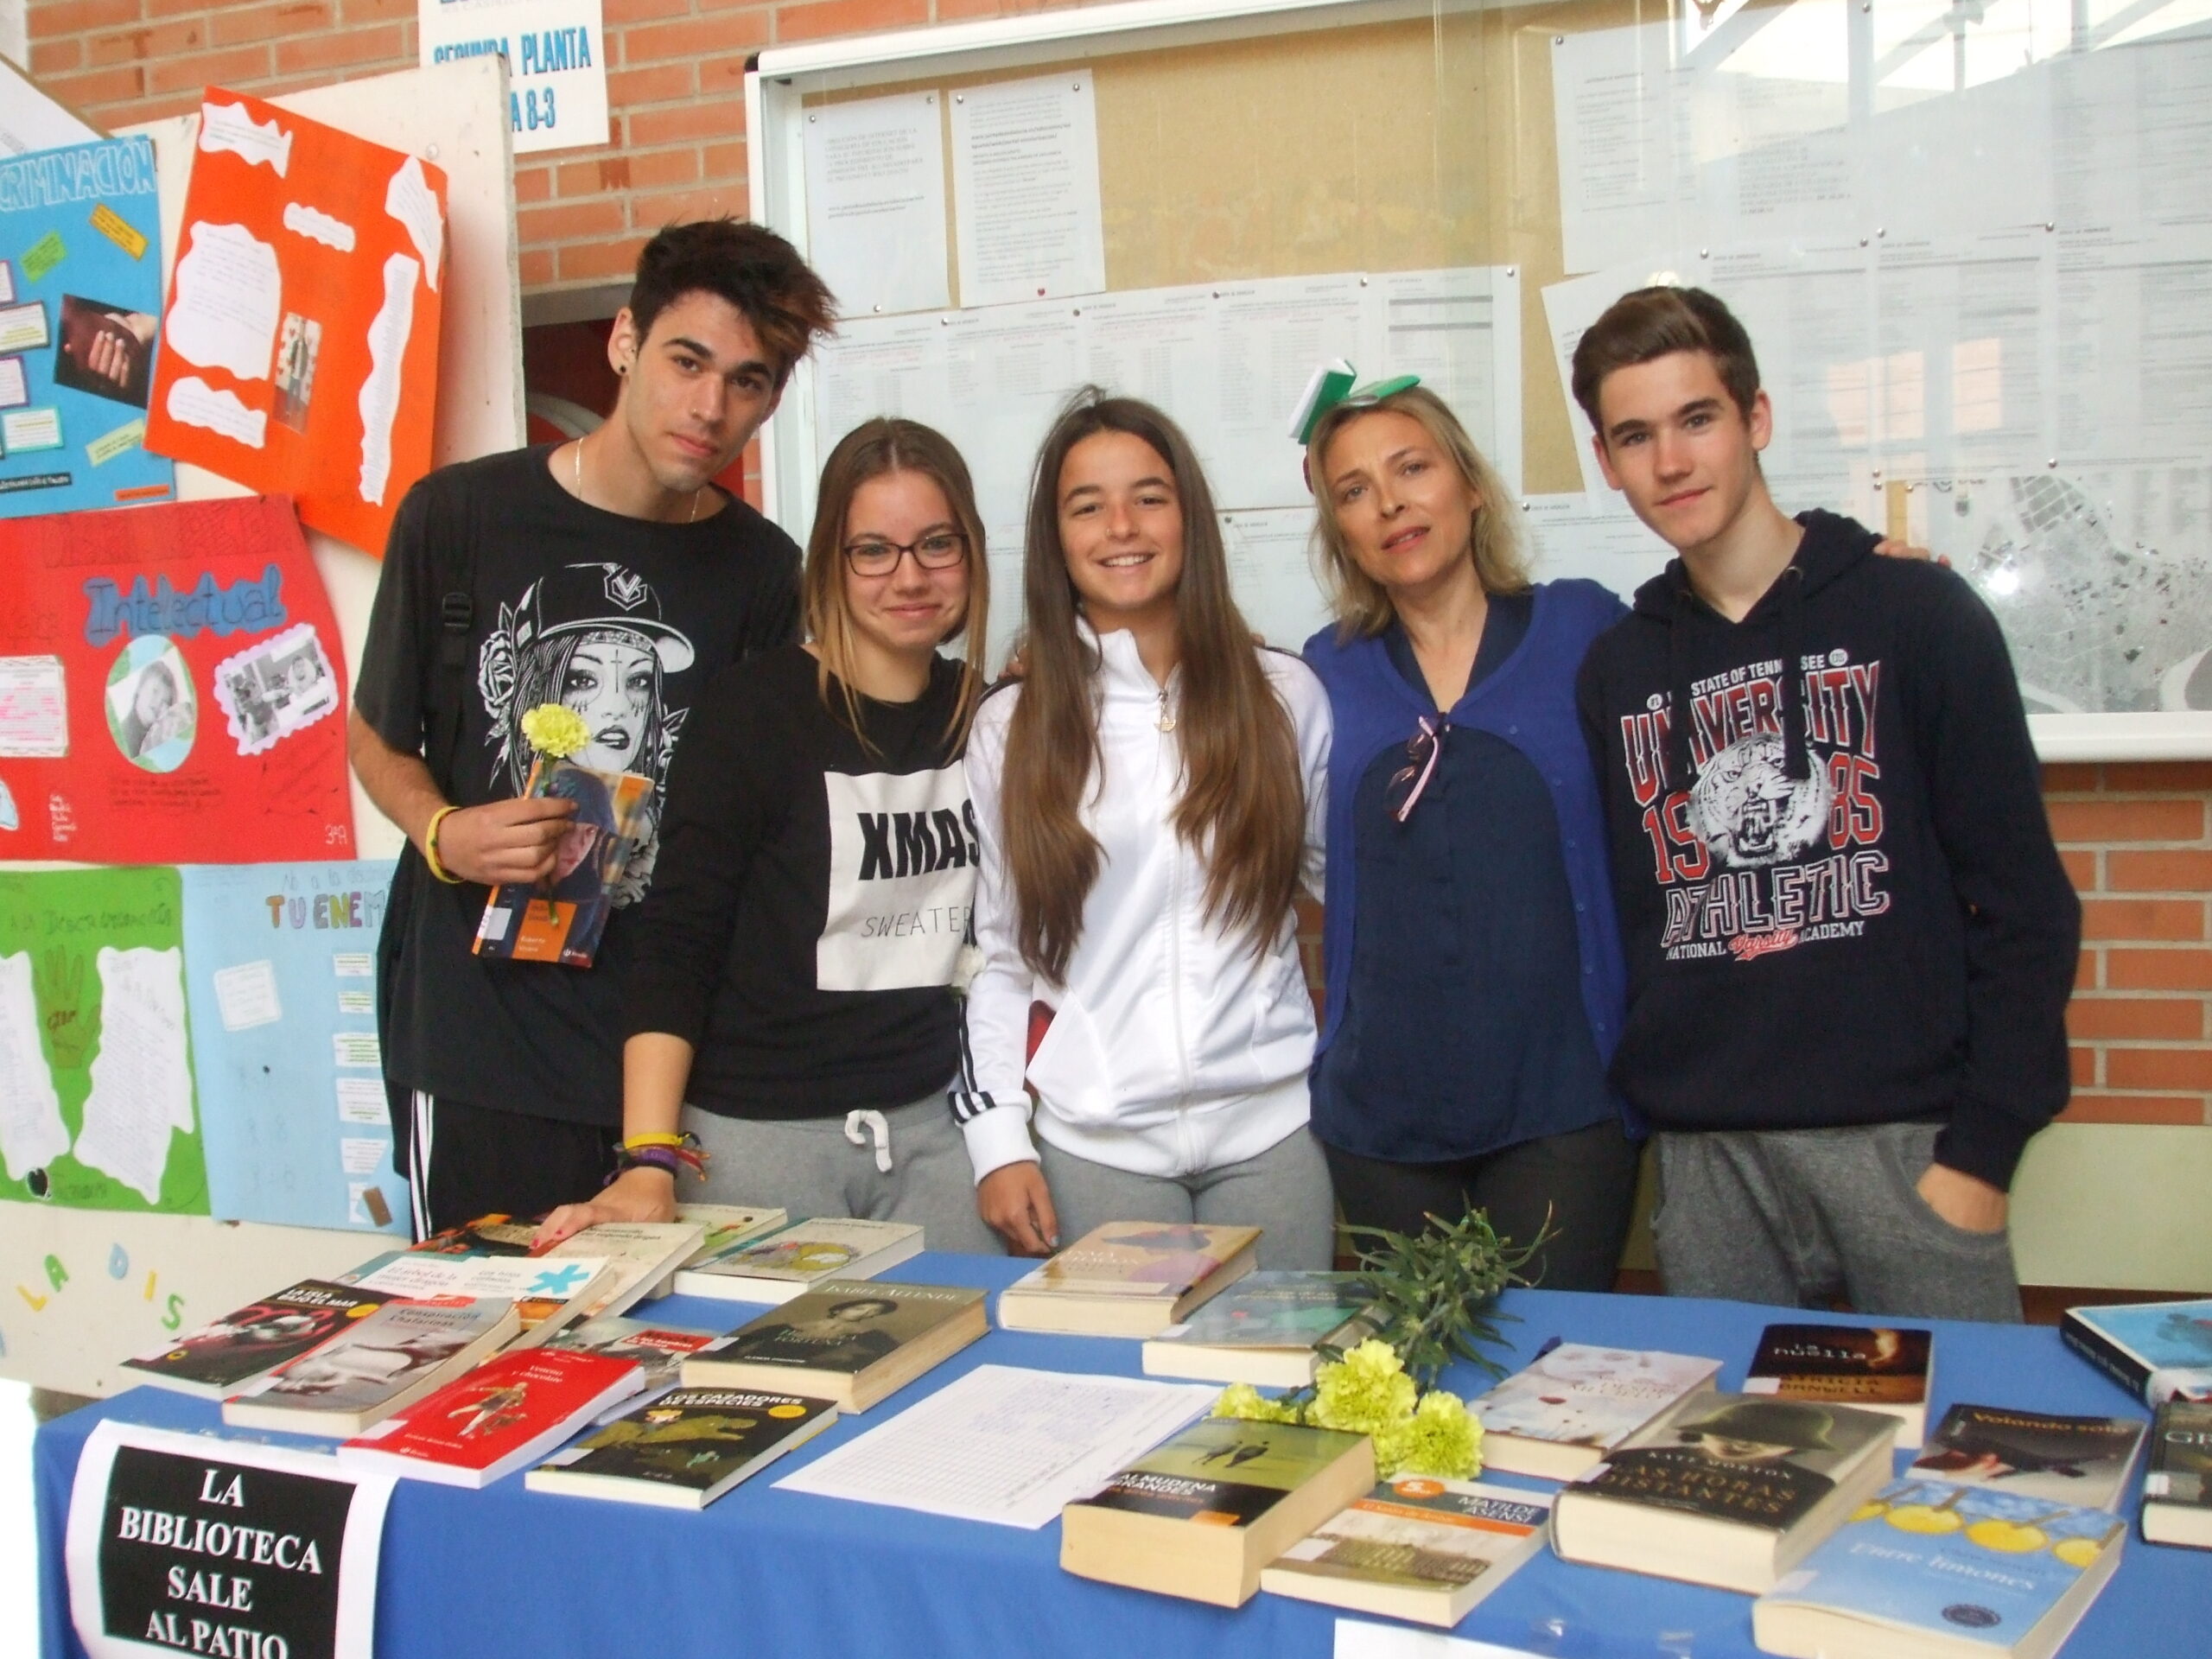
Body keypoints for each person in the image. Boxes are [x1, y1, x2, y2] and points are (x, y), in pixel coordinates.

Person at [1570, 285, 2081, 1322]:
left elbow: (2027, 905)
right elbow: (1645, 917)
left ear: (1755, 419)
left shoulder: (1917, 615)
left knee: (1950, 1474)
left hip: (1906, 1159)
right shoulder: (1618, 669)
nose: (1670, 462)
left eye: (1697, 419)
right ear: (1606, 461)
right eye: (1635, 437)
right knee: (1740, 1469)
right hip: (1711, 1172)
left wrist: (1979, 1159)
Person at [349, 218, 834, 1237]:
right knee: (486, 1348)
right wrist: (445, 834)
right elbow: (375, 733)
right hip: (481, 1040)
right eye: (686, 361)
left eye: (746, 382)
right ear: (624, 341)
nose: (708, 408)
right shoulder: (457, 518)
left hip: (664, 1057)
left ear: (772, 401)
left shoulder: (762, 573)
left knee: (659, 1360)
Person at [536, 417, 999, 1253]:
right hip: (762, 1141)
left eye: (938, 544)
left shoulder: (992, 715)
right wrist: (649, 1156)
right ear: (831, 561)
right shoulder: (753, 712)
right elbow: (679, 939)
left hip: (936, 1135)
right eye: (874, 550)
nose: (910, 576)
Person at [957, 391, 1336, 1269]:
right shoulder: (1011, 728)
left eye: (1149, 497)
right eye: (1086, 505)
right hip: (1097, 1146)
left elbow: (1350, 896)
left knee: (1281, 1397)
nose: (1121, 525)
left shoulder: (1284, 697)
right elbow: (1004, 958)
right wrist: (1000, 1141)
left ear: (1188, 516)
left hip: (1274, 1132)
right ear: (1056, 539)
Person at [1298, 379, 1639, 1291]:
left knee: (1546, 1381)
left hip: (1562, 1101)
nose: (1391, 503)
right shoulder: (1319, 673)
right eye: (1355, 490)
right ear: (1340, 529)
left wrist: (1861, 572)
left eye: (1412, 468)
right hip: (1382, 1119)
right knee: (1417, 1385)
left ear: (1471, 485)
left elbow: (1723, 648)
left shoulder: (1583, 626)